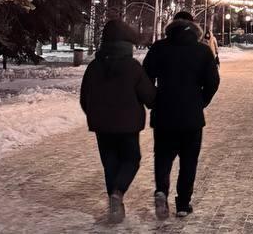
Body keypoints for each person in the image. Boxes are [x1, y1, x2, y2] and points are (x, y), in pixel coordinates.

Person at [143, 11, 220, 219]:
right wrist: (200, 101)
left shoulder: (159, 48)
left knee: (163, 157)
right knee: (188, 161)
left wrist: (154, 100)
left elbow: (145, 77)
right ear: (194, 26)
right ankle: (183, 204)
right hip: (191, 116)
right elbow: (213, 81)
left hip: (164, 114)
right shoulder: (202, 50)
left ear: (172, 26)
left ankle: (161, 191)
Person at [80, 20, 156, 224]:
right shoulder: (133, 67)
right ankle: (118, 193)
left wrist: (96, 115)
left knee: (110, 163)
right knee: (131, 159)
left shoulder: (94, 67)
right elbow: (150, 97)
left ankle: (115, 204)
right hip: (128, 126)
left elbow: (84, 98)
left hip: (101, 126)